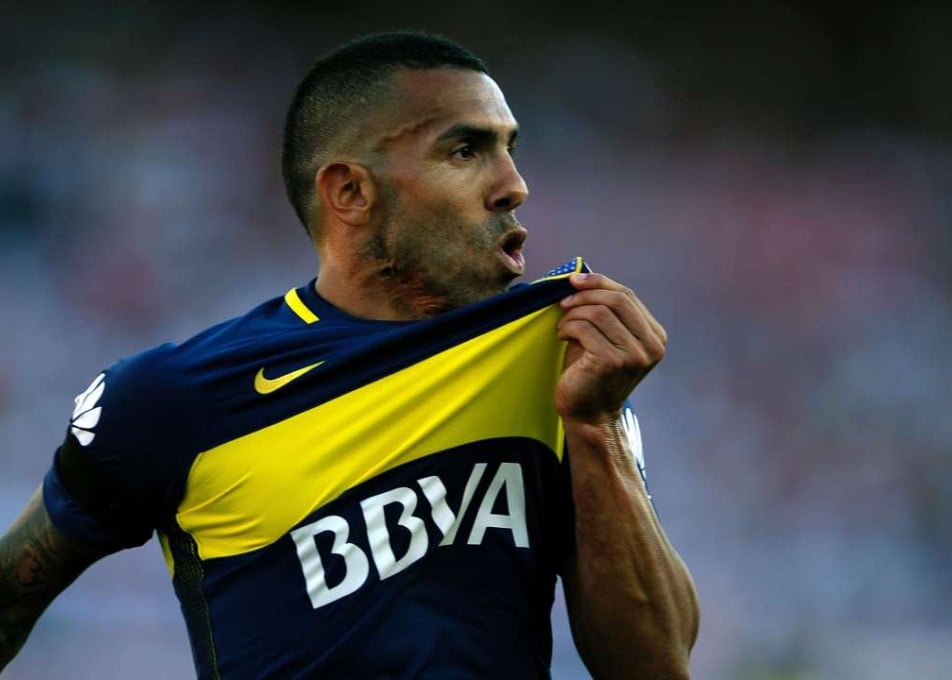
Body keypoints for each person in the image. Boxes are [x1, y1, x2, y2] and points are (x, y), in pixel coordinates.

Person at [0, 31, 698, 679]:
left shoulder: (556, 364)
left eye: (510, 147)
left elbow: (657, 665)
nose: (514, 184)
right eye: (466, 150)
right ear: (350, 192)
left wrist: (595, 427)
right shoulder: (176, 395)